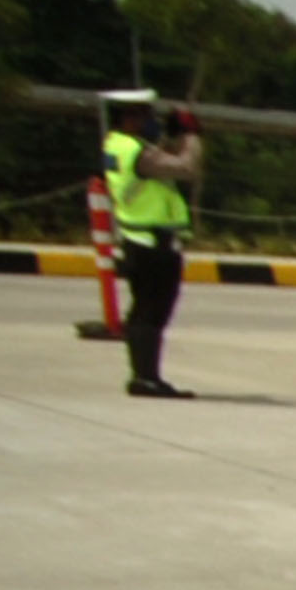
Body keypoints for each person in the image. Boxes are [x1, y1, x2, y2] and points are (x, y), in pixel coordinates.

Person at [101, 88, 203, 399]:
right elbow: (187, 168)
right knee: (152, 311)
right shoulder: (137, 152)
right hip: (151, 244)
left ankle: (144, 375)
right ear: (128, 118)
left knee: (144, 310)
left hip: (137, 239)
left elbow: (157, 159)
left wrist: (171, 137)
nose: (150, 122)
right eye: (145, 115)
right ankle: (146, 378)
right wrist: (192, 135)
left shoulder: (118, 145)